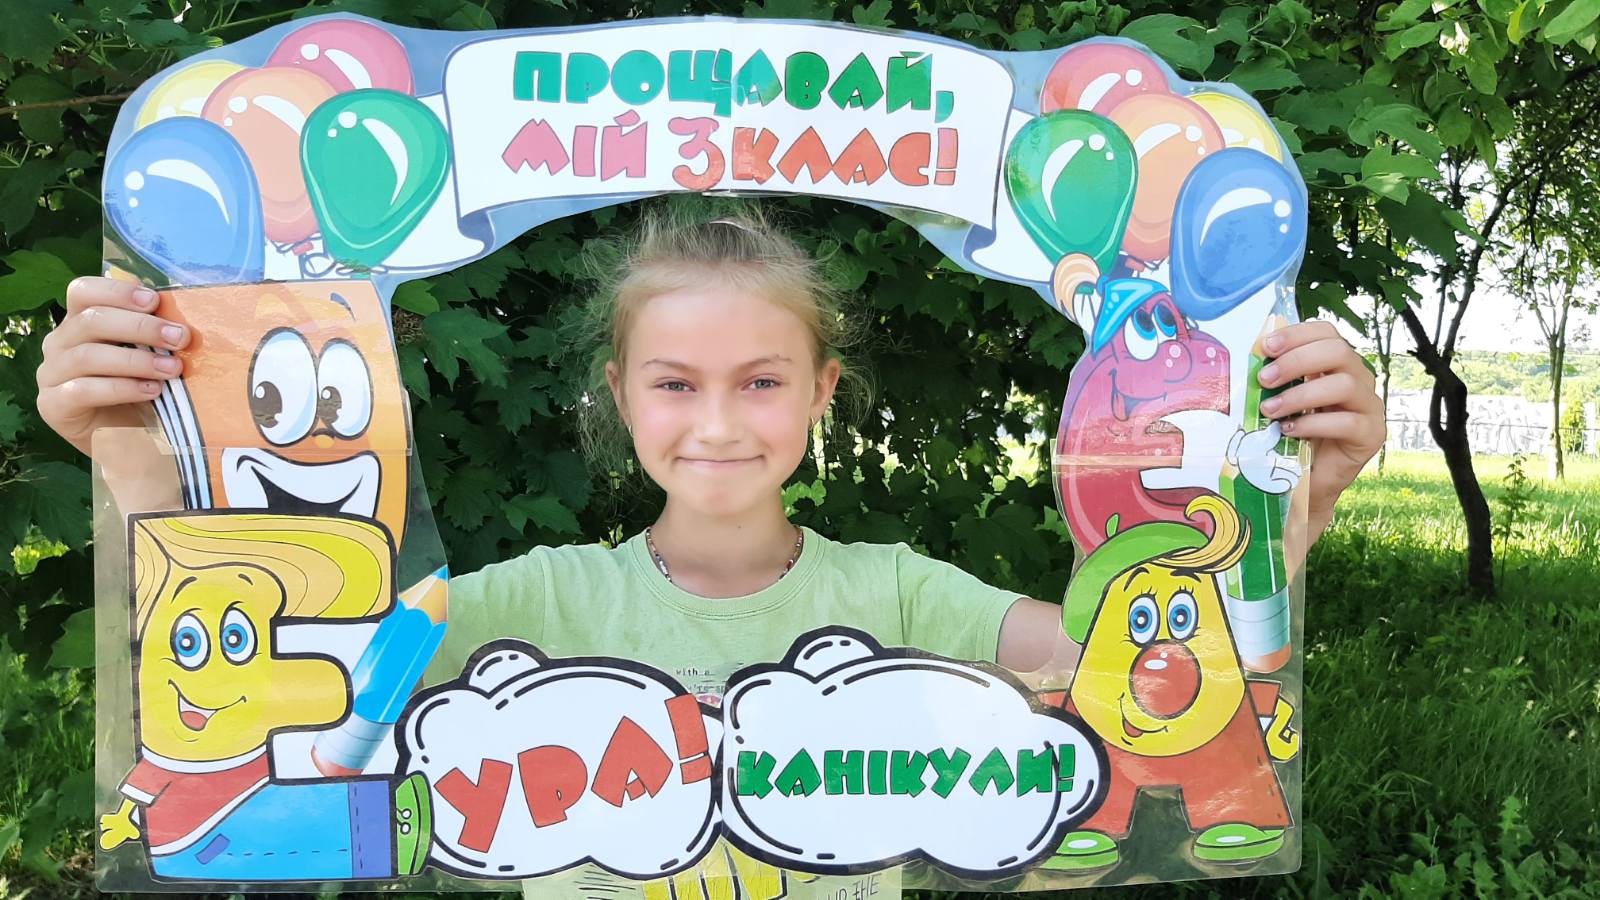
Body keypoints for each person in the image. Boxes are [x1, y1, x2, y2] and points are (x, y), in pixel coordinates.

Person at [37, 206, 1386, 897]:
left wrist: (1291, 510)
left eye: (762, 381)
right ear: (621, 396)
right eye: (676, 383)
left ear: (822, 394)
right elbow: (280, 688)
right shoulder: (534, 601)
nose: (721, 422)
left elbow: (1130, 671)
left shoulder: (902, 593)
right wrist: (137, 461)